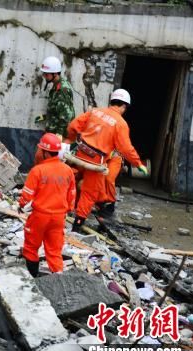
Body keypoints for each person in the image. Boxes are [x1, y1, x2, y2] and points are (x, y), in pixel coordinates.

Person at [65, 89, 147, 232]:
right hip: (95, 161)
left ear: (111, 101)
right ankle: (77, 224)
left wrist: (72, 139)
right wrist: (138, 163)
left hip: (79, 154)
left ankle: (63, 209)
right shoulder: (120, 123)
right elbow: (126, 149)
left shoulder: (94, 111)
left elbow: (73, 126)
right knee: (89, 193)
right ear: (124, 106)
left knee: (71, 179)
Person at [18, 133, 76, 276]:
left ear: (44, 152)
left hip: (40, 216)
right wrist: (68, 209)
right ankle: (59, 279)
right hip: (58, 218)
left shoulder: (37, 170)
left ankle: (33, 279)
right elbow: (72, 194)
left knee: (31, 247)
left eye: (39, 149)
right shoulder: (67, 170)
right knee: (54, 251)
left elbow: (27, 194)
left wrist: (21, 205)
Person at [35, 56, 75, 137]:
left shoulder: (62, 90)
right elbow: (58, 109)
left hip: (58, 134)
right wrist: (46, 116)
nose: (44, 76)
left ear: (55, 73)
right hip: (52, 130)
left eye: (46, 74)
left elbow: (66, 115)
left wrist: (59, 134)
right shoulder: (56, 85)